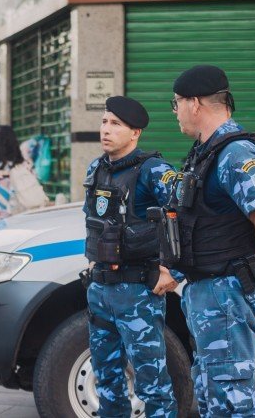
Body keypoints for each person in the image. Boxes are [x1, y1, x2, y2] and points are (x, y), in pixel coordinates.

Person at [170, 65, 255, 416]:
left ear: (194, 103)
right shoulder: (206, 152)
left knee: (230, 398)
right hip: (209, 292)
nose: (176, 111)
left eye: (176, 102)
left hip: (227, 292)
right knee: (213, 394)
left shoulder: (236, 154)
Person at [81, 96, 179, 417]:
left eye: (116, 124)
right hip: (101, 290)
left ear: (135, 133)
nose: (106, 130)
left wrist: (171, 270)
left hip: (137, 292)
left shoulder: (153, 170)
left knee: (152, 385)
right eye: (104, 122)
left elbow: (183, 216)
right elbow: (93, 221)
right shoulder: (97, 168)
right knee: (107, 379)